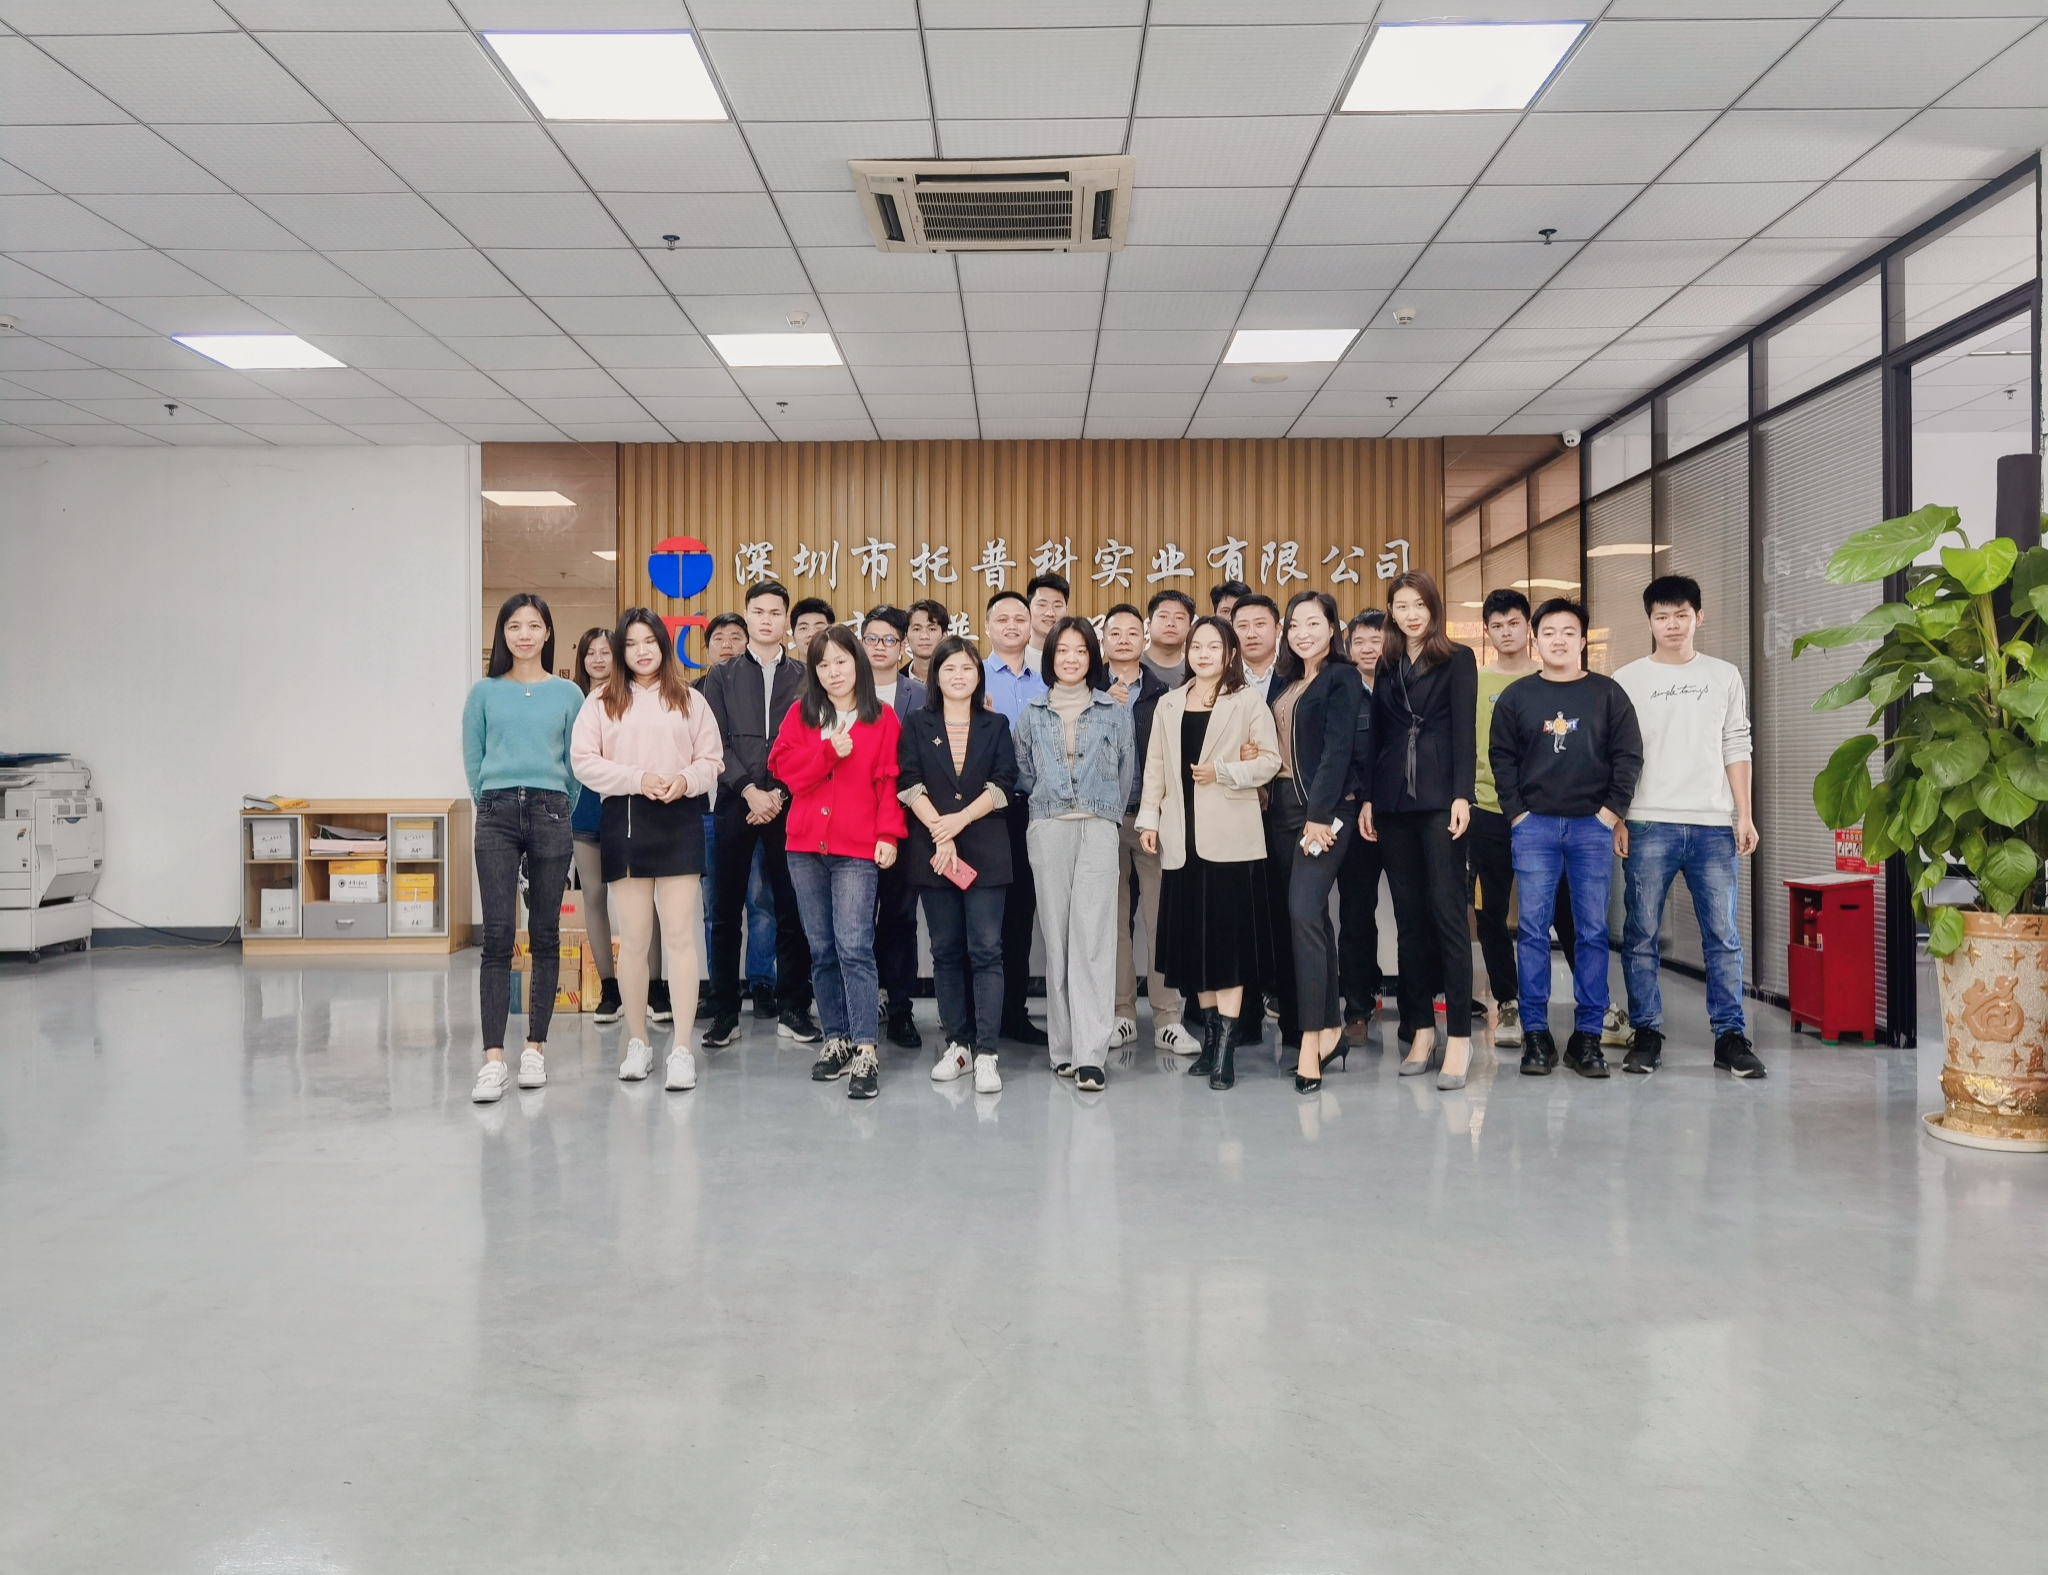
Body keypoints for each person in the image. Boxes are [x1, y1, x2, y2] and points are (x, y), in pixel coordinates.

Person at [1613, 575, 1765, 1079]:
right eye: (1662, 616)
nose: (1672, 624)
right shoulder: (1627, 679)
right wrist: (1618, 817)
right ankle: (1647, 1032)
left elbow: (1736, 744)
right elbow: (1616, 755)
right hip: (1647, 822)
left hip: (1712, 826)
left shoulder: (1724, 675)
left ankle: (1730, 1037)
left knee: (1722, 936)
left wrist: (1743, 814)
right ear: (1650, 621)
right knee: (1641, 934)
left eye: (1681, 615)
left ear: (1699, 616)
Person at [571, 608, 725, 1089]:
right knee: (635, 939)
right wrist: (637, 778)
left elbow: (712, 760)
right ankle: (638, 1042)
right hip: (625, 818)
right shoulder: (601, 700)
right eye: (631, 643)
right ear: (621, 650)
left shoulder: (690, 699)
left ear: (663, 645)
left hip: (679, 817)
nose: (641, 651)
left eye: (650, 641)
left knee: (679, 937)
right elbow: (583, 762)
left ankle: (681, 1048)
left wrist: (685, 780)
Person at [1490, 599, 1643, 1080]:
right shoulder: (1517, 696)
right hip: (1534, 827)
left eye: (1568, 631)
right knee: (1533, 930)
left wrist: (1610, 813)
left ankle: (1588, 1037)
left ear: (1583, 639)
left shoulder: (1607, 694)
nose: (1559, 640)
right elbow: (1501, 758)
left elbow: (1628, 755)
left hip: (1591, 828)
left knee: (1591, 931)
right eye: (1550, 632)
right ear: (1536, 639)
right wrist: (1518, 815)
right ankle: (1536, 1035)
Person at [1138, 616, 1280, 1090]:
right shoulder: (1169, 702)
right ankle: (1211, 1037)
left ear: (1229, 654)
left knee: (1228, 948)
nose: (1202, 654)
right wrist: (1149, 820)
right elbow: (1156, 766)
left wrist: (1223, 772)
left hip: (1232, 841)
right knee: (1194, 947)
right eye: (1196, 646)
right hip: (1182, 840)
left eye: (1212, 647)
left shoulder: (1246, 700)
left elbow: (1270, 762)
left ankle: (1225, 1050)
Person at [769, 625, 906, 1100]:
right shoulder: (801, 714)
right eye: (823, 664)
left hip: (856, 849)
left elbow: (888, 782)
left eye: (841, 661)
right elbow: (786, 771)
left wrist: (888, 834)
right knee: (822, 948)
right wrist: (828, 751)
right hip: (805, 847)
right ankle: (837, 1038)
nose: (833, 672)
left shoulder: (881, 717)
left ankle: (866, 1047)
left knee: (854, 946)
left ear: (858, 663)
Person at [463, 594, 583, 1104]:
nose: (525, 635)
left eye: (534, 625)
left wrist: (558, 804)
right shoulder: (484, 692)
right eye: (515, 626)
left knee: (545, 932)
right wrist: (490, 802)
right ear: (503, 633)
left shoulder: (569, 693)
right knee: (495, 936)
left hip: (551, 808)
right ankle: (493, 1060)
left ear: (548, 632)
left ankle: (535, 1049)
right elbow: (474, 759)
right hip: (495, 812)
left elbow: (576, 764)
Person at [1362, 570, 1478, 1091]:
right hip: (1392, 801)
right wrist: (1369, 797)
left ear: (1434, 608)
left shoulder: (1458, 659)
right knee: (1408, 921)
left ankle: (1460, 1038)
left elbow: (1464, 731)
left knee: (1448, 917)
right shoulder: (1386, 663)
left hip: (1439, 800)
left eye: (1419, 605)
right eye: (1401, 606)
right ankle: (1422, 1031)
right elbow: (1377, 736)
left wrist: (1462, 795)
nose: (1411, 615)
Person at [1012, 617, 1135, 1091]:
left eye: (1080, 650)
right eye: (1062, 650)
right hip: (1048, 829)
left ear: (1092, 658)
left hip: (1098, 828)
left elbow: (1125, 772)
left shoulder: (1113, 711)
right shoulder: (1032, 714)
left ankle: (1090, 1055)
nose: (1070, 658)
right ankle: (1062, 1050)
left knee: (1093, 939)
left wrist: (1102, 813)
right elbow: (1024, 773)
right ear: (1050, 657)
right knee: (1058, 941)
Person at [697, 581, 818, 1047]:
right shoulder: (722, 676)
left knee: (792, 908)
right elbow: (715, 742)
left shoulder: (805, 677)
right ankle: (725, 1012)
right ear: (747, 616)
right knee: (725, 912)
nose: (767, 620)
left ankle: (793, 1008)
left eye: (775, 613)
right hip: (735, 803)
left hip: (790, 804)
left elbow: (810, 744)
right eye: (758, 612)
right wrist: (750, 791)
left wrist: (778, 794)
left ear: (786, 620)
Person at [898, 635, 1019, 1094]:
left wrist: (958, 821)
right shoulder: (916, 722)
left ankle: (987, 1052)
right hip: (935, 853)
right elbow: (908, 783)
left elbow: (1004, 784)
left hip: (985, 849)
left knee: (986, 950)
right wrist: (940, 831)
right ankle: (959, 1045)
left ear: (978, 675)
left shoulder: (995, 723)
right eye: (949, 668)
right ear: (936, 675)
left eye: (967, 668)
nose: (958, 676)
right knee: (945, 951)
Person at [1266, 591, 1365, 1095]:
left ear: (1331, 628)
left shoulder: (1341, 677)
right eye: (1295, 624)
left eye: (1313, 623)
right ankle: (1329, 1029)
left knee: (1303, 912)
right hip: (1279, 811)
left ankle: (1309, 1042)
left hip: (1320, 813)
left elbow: (1337, 750)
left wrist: (1319, 817)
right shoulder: (1286, 681)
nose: (1302, 633)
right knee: (1312, 920)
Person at [1470, 590, 1574, 1051]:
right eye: (1497, 625)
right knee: (1490, 912)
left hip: (1548, 815)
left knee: (1564, 911)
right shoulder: (1475, 682)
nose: (1506, 632)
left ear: (1528, 628)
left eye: (1514, 623)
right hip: (1488, 810)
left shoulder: (1549, 677)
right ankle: (1507, 1001)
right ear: (1487, 631)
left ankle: (1595, 1002)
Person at [1102, 603, 1190, 1054]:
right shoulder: (1087, 691)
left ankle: (1167, 1017)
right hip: (1103, 821)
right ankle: (1121, 1013)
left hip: (1152, 819)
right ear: (1103, 641)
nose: (1123, 639)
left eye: (1131, 632)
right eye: (1114, 632)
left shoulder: (1165, 694)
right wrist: (1104, 708)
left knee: (1162, 920)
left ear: (1145, 639)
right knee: (1113, 922)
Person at [571, 626, 662, 1027]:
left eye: (605, 651)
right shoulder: (577, 701)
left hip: (629, 810)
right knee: (594, 895)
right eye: (590, 652)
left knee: (643, 898)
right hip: (585, 811)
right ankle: (609, 988)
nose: (598, 659)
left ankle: (654, 987)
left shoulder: (636, 699)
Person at [693, 616, 777, 1022]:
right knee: (716, 908)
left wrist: (757, 794)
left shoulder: (762, 691)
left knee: (762, 901)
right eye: (719, 638)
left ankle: (762, 983)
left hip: (759, 810)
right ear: (706, 647)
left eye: (735, 637)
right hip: (708, 813)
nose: (726, 644)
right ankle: (720, 990)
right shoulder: (690, 696)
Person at [983, 589, 1050, 1047]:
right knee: (984, 917)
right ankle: (976, 1015)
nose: (1011, 626)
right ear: (987, 626)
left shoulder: (1048, 680)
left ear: (1031, 627)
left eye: (1019, 619)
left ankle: (1013, 1012)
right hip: (985, 810)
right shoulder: (970, 676)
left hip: (1033, 808)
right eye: (1002, 618)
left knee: (1021, 915)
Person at [864, 605, 927, 1049]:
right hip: (855, 824)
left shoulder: (922, 695)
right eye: (872, 638)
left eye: (890, 640)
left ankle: (901, 1008)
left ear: (903, 646)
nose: (880, 647)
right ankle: (867, 1003)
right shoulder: (845, 690)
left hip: (908, 823)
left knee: (901, 918)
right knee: (856, 920)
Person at [1336, 610, 1387, 1044]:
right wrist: (1360, 796)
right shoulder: (1341, 691)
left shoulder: (1406, 687)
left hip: (1405, 815)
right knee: (1355, 912)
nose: (1369, 649)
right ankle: (1357, 1007)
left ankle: (1420, 1007)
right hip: (1356, 817)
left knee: (1416, 911)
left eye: (1377, 640)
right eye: (1360, 641)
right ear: (1348, 647)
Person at [1232, 594, 1282, 703]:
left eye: (1260, 624)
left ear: (1277, 629)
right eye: (1243, 626)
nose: (1251, 634)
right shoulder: (1223, 677)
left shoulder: (1294, 674)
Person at [1142, 589, 1195, 688]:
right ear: (1149, 625)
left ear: (1190, 629)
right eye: (1163, 616)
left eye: (1179, 618)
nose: (1171, 623)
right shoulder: (1132, 665)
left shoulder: (1196, 669)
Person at [1024, 572, 1069, 667]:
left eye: (1057, 606)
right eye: (1042, 605)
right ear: (1028, 609)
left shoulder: (1073, 661)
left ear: (1066, 610)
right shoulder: (1015, 659)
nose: (1050, 613)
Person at [906, 598, 949, 685]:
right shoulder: (897, 683)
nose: (924, 636)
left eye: (931, 629)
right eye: (917, 629)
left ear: (944, 636)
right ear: (906, 637)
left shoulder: (955, 679)